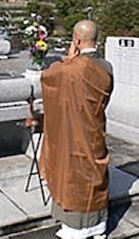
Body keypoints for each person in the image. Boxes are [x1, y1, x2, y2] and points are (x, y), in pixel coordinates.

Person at [39, 20, 113, 239]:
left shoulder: (70, 69)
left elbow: (48, 77)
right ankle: (98, 226)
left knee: (75, 175)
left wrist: (69, 60)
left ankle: (77, 229)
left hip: (74, 133)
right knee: (94, 172)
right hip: (94, 129)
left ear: (76, 40)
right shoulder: (106, 66)